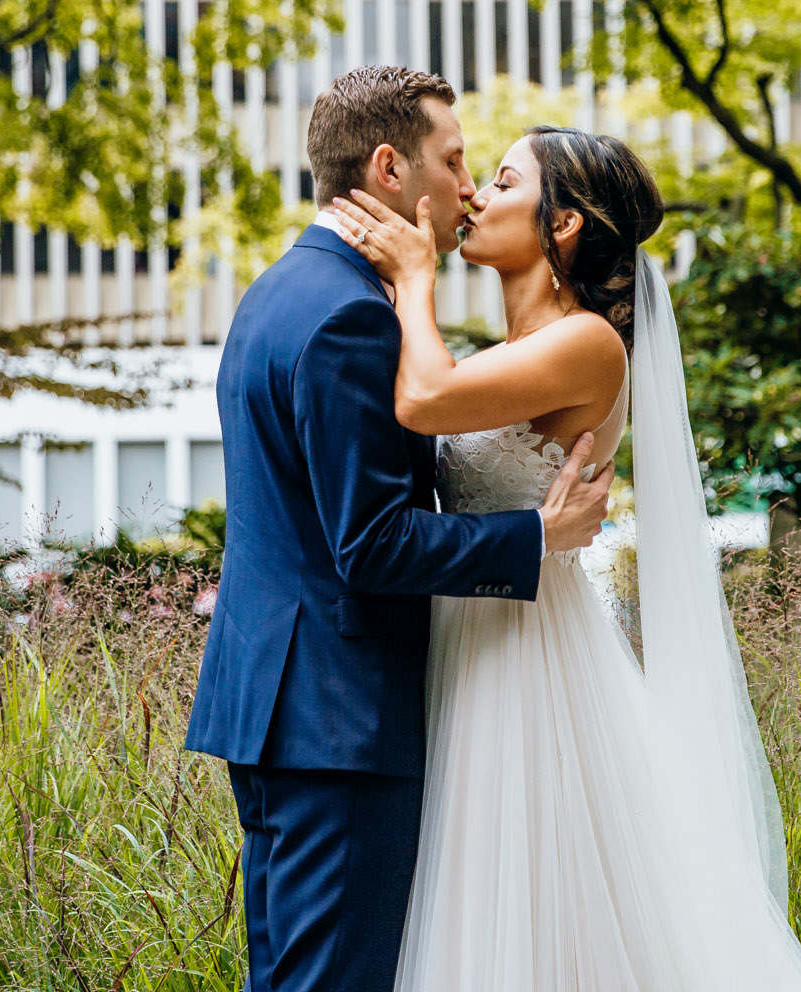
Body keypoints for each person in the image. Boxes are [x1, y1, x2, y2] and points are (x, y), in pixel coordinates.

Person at [325, 125, 801, 992]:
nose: (476, 193)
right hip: (465, 631)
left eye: (506, 180)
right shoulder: (511, 352)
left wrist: (413, 277)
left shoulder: (588, 343)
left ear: (561, 225)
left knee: (530, 904)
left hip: (526, 655)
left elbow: (424, 399)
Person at [185, 67, 618, 992]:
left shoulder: (279, 292)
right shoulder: (353, 318)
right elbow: (372, 543)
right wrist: (535, 539)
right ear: (390, 168)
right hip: (338, 720)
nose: (466, 188)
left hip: (279, 708)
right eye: (456, 161)